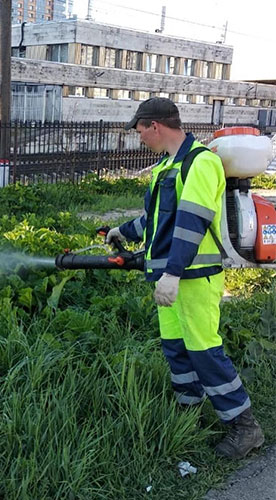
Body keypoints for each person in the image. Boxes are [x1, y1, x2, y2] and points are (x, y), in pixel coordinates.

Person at [106, 97, 264, 459]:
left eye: (140, 130)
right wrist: (123, 230)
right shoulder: (166, 167)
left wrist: (173, 273)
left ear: (155, 126)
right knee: (176, 349)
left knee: (205, 351)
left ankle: (244, 426)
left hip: (192, 277)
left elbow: (191, 221)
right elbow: (158, 220)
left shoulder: (200, 163)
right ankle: (188, 412)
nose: (139, 137)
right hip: (169, 278)